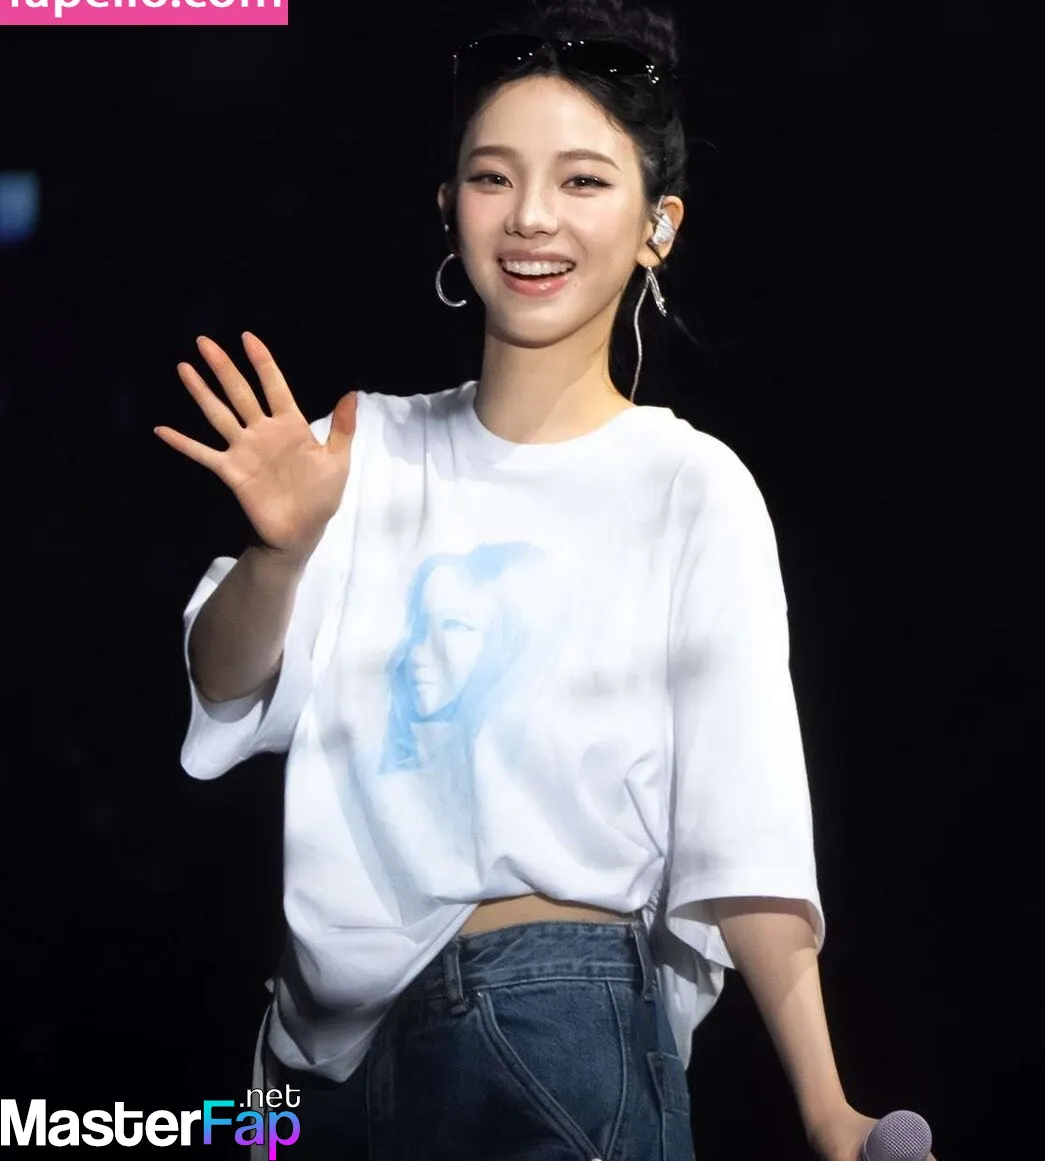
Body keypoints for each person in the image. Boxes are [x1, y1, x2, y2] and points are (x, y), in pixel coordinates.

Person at [152, 3, 932, 1158]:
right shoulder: (356, 451)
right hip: (312, 1066)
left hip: (548, 1019)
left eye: (581, 181)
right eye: (493, 176)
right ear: (448, 207)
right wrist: (281, 551)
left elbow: (744, 816)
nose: (529, 216)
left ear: (658, 225)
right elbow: (224, 691)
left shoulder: (687, 486)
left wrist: (827, 1107)